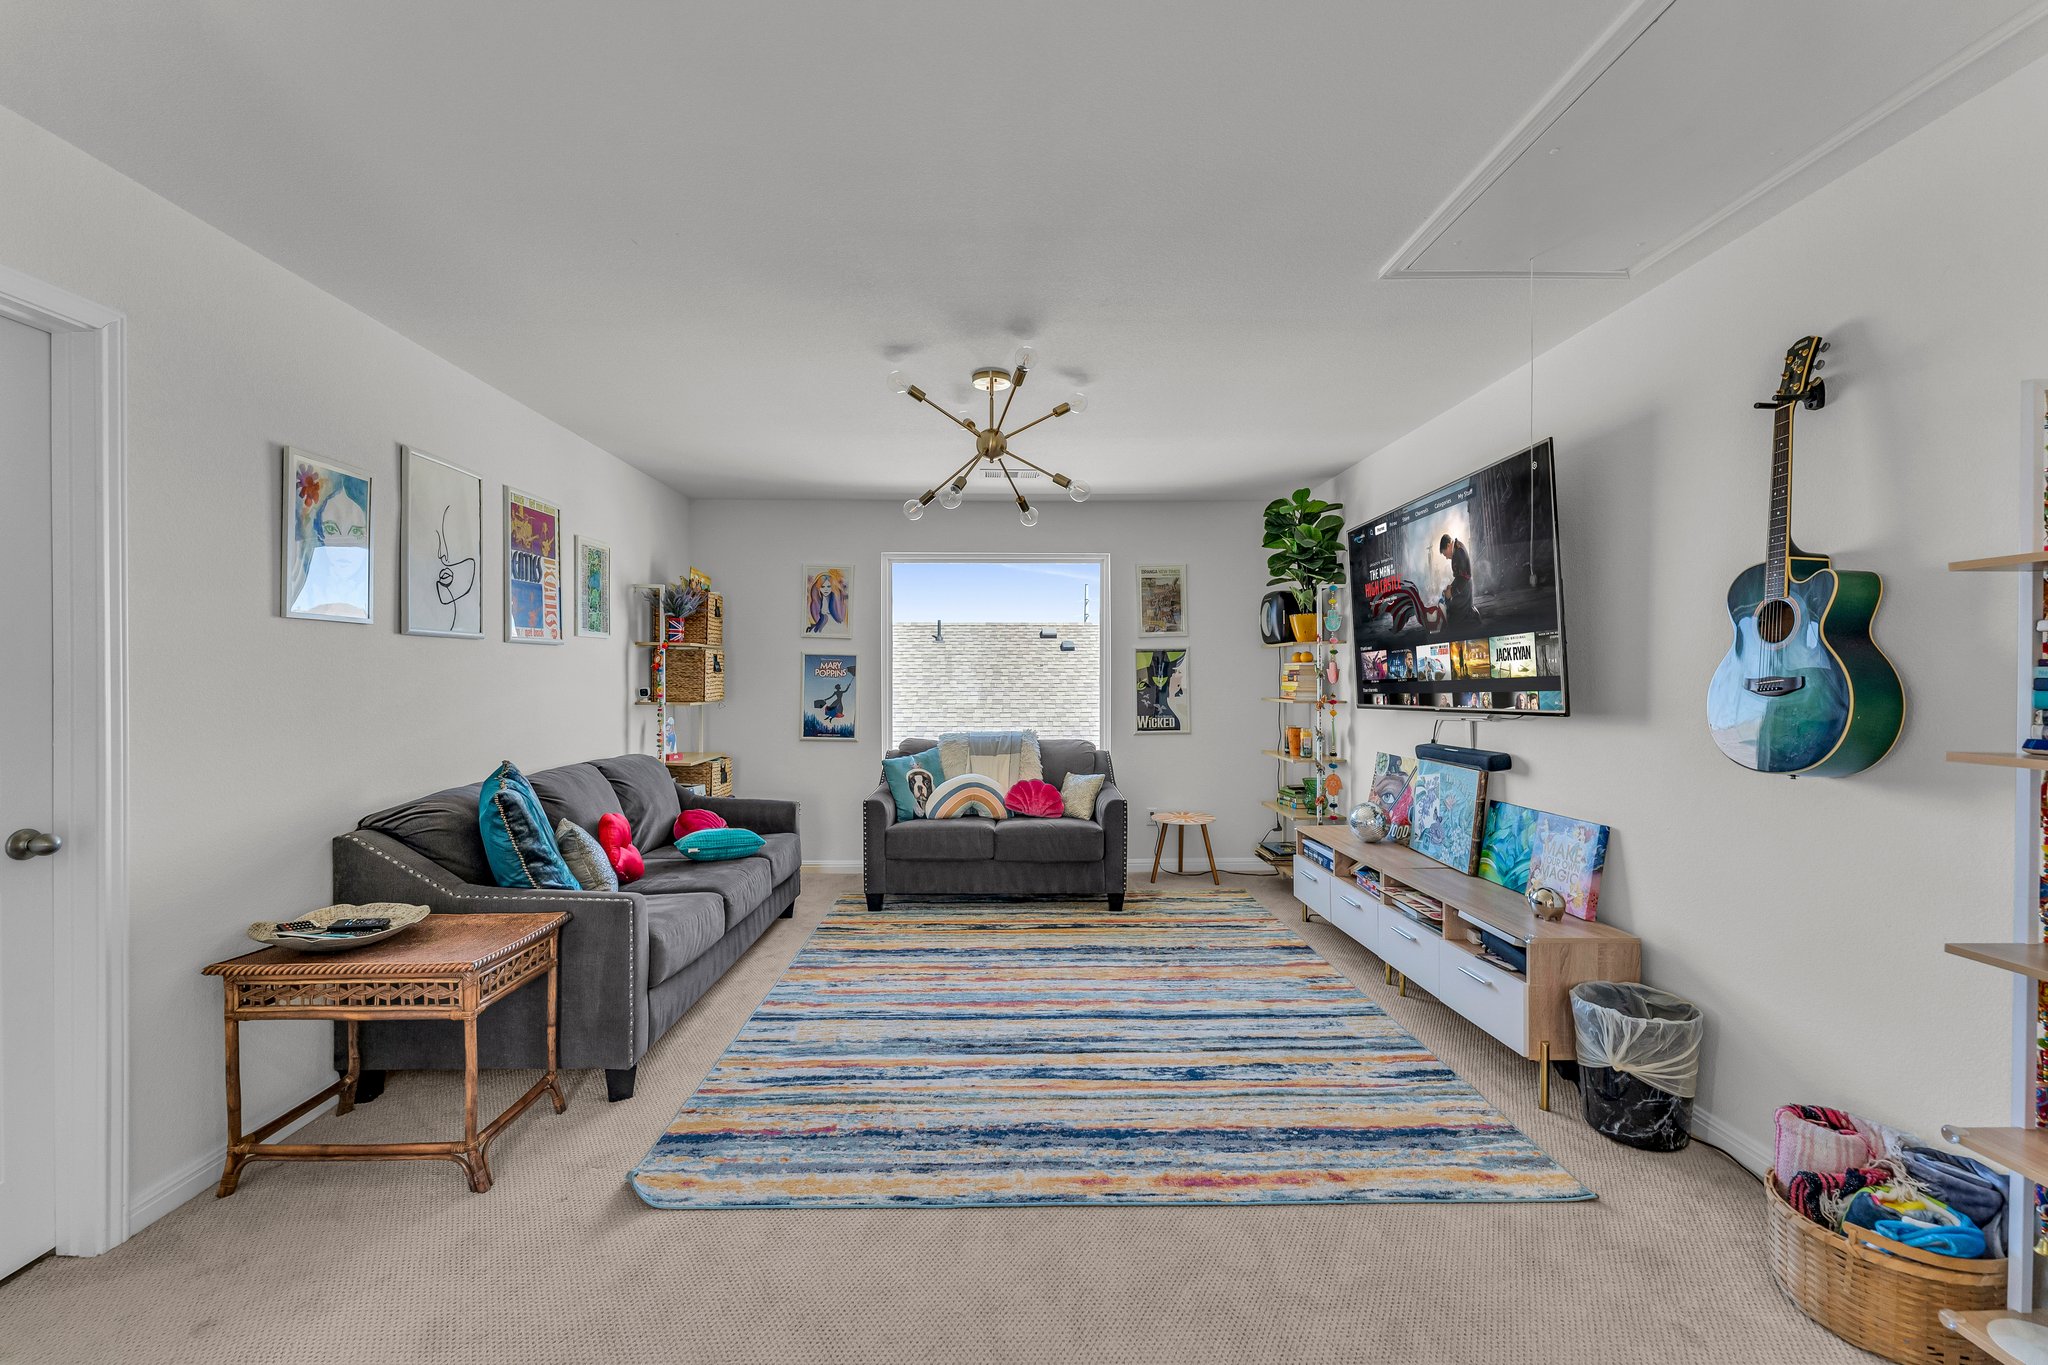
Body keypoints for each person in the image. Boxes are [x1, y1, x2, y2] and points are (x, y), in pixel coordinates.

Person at [1438, 532, 1476, 624]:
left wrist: (1451, 592)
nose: (1446, 558)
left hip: (1465, 590)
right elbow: (1460, 576)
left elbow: (1464, 577)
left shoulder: (1459, 551)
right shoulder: (1457, 550)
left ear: (1448, 545)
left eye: (1445, 554)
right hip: (1463, 588)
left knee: (1453, 616)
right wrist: (1451, 587)